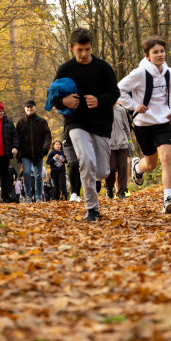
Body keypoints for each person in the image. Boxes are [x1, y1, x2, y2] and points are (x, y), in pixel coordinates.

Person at [51, 27, 119, 222]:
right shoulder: (65, 70)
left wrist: (99, 100)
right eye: (79, 50)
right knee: (86, 161)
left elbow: (114, 93)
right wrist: (64, 102)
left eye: (87, 49)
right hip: (76, 123)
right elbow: (53, 96)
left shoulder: (103, 67)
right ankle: (92, 208)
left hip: (101, 124)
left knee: (102, 171)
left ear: (91, 47)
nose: (83, 54)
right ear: (72, 47)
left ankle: (94, 191)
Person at [118, 35, 171, 214]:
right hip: (143, 123)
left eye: (162, 51)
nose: (160, 55)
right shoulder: (139, 73)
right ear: (147, 55)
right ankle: (138, 167)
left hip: (163, 122)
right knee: (151, 164)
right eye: (155, 52)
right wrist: (134, 105)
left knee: (166, 157)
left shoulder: (170, 73)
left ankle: (168, 198)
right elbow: (119, 90)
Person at [15, 100, 52, 203]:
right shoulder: (20, 122)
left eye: (31, 107)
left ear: (35, 108)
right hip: (25, 153)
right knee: (26, 173)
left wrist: (45, 148)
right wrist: (17, 153)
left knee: (38, 175)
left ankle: (39, 196)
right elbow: (16, 138)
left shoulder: (42, 121)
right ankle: (28, 196)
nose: (29, 109)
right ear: (25, 109)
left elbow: (47, 135)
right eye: (27, 108)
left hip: (38, 152)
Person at [105, 103, 131, 199]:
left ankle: (121, 192)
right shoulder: (102, 109)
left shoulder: (121, 110)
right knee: (111, 168)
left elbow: (127, 126)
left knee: (123, 167)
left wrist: (130, 142)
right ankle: (109, 188)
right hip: (109, 144)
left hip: (122, 143)